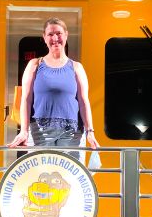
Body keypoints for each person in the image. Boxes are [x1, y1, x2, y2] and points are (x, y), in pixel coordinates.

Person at [8, 17, 101, 167]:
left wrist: (90, 131)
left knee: (70, 179)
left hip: (71, 132)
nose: (55, 38)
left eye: (58, 33)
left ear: (66, 35)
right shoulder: (34, 65)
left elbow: (84, 101)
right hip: (40, 132)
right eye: (50, 34)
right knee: (41, 176)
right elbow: (26, 99)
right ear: (44, 38)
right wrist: (24, 131)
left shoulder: (77, 67)